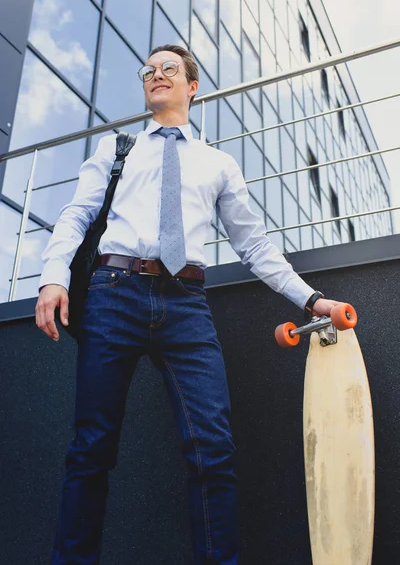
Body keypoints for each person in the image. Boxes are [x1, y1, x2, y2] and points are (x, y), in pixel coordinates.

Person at [36, 44, 340, 565]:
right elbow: (77, 214)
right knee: (91, 449)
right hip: (113, 293)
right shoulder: (117, 148)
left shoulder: (217, 163)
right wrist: (52, 277)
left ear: (191, 86)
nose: (156, 75)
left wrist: (312, 299)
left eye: (167, 69)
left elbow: (255, 246)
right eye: (148, 70)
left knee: (213, 449)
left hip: (185, 305)